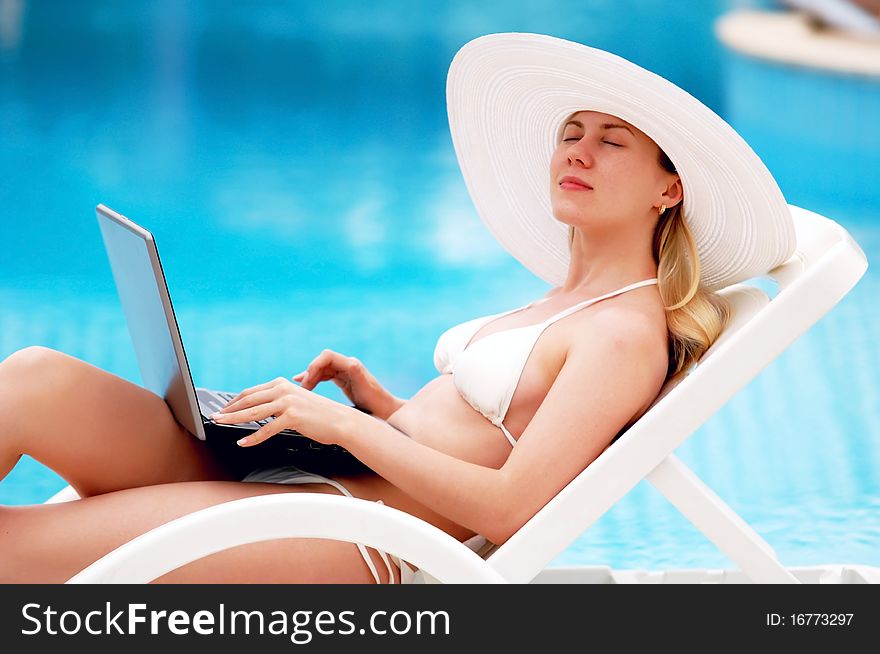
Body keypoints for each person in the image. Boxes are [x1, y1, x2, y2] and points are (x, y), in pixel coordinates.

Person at [0, 33, 795, 584]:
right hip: (308, 475)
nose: (578, 152)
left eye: (612, 141)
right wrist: (374, 403)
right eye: (571, 133)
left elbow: (515, 508)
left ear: (669, 187)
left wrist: (345, 428)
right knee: (36, 378)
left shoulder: (624, 331)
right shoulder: (569, 299)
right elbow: (485, 433)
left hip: (342, 530)